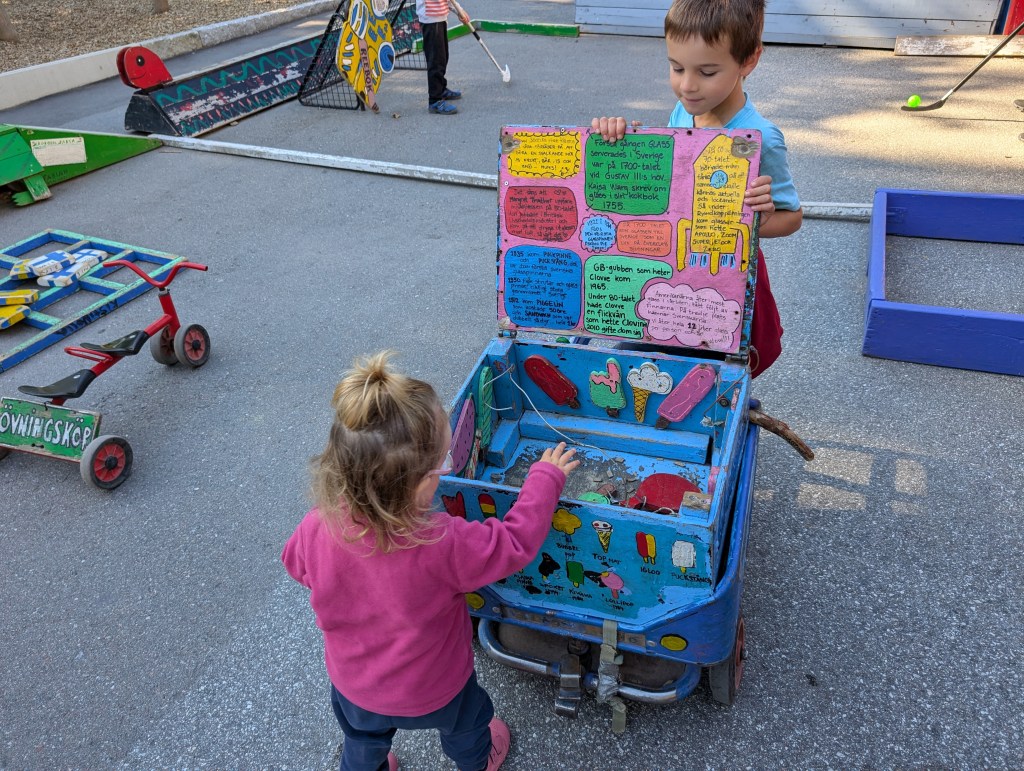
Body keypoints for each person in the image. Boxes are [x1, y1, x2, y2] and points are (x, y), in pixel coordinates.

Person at [282, 351, 579, 771]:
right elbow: (514, 542)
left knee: (362, 741)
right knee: (469, 727)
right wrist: (545, 479)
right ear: (417, 487)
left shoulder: (317, 525)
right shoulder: (442, 541)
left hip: (355, 685)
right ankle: (477, 762)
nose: (443, 473)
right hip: (438, 688)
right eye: (440, 467)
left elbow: (296, 566)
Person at [592, 0, 802, 378]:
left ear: (749, 60)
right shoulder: (684, 111)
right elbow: (672, 184)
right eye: (676, 68)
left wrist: (760, 217)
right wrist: (625, 144)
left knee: (719, 367)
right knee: (642, 355)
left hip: (724, 280)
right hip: (674, 270)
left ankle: (728, 401)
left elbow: (792, 217)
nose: (687, 85)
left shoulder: (761, 137)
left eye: (706, 72)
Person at [417, 0, 462, 114]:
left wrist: (459, 10)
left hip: (440, 17)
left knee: (443, 57)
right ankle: (435, 100)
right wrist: (459, 11)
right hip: (431, 19)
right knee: (435, 61)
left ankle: (441, 89)